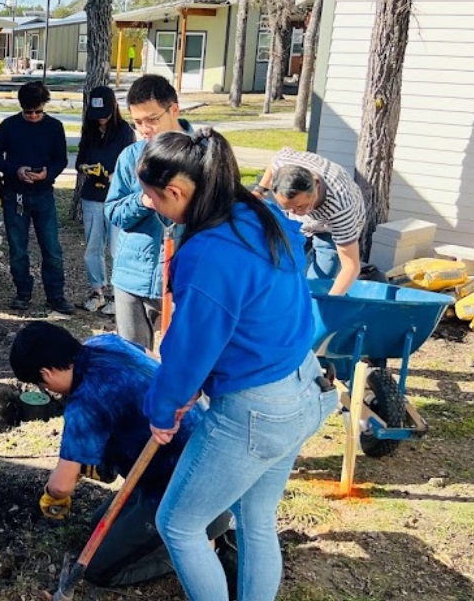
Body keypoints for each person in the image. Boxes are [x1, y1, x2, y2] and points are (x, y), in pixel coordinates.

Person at [137, 128, 338, 601]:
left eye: (151, 196)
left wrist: (163, 409)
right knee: (255, 517)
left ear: (177, 192)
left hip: (257, 410)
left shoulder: (209, 255)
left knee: (179, 525)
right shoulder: (256, 211)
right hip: (301, 386)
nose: (148, 205)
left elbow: (189, 352)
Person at [8, 322, 232, 590]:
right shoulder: (104, 343)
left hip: (184, 484)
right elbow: (147, 359)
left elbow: (61, 485)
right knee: (97, 524)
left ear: (45, 373)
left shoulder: (86, 402)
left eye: (40, 383)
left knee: (99, 570)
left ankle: (198, 545)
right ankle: (198, 527)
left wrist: (51, 494)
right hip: (179, 459)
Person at [105, 74, 193, 350]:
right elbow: (114, 211)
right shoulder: (130, 157)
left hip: (183, 281)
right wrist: (144, 201)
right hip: (132, 276)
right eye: (138, 122)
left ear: (174, 109)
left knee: (180, 360)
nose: (145, 129)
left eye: (152, 120)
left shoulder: (203, 155)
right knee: (131, 360)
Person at [0, 81, 73, 315]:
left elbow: (61, 160)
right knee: (18, 248)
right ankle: (22, 293)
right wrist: (16, 170)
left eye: (38, 111)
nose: (34, 116)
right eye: (29, 112)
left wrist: (48, 173)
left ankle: (55, 295)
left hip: (44, 194)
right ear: (21, 108)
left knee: (52, 248)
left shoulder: (55, 127)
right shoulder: (9, 126)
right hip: (15, 194)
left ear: (44, 106)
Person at [253, 148, 366, 296]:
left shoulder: (341, 209)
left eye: (301, 206)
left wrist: (328, 301)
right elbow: (275, 161)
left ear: (316, 185)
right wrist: (260, 191)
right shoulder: (284, 163)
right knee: (285, 264)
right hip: (309, 222)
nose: (297, 213)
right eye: (288, 208)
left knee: (319, 279)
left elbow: (351, 266)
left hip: (330, 227)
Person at [76, 86, 135, 316]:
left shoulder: (125, 133)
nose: (100, 120)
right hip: (91, 197)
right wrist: (86, 169)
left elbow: (131, 169)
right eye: (96, 115)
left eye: (104, 115)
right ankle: (97, 291)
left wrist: (110, 177)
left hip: (117, 199)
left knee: (116, 248)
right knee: (92, 247)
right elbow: (79, 161)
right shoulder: (89, 131)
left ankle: (117, 295)